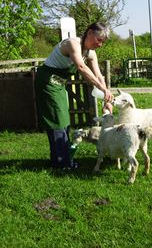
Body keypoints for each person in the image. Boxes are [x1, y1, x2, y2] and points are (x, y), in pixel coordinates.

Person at [35, 22, 114, 170]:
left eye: (103, 42)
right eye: (99, 39)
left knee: (63, 120)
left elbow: (99, 75)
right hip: (47, 82)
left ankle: (59, 160)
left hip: (59, 85)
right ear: (89, 32)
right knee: (57, 121)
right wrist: (102, 88)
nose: (100, 44)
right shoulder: (73, 44)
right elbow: (81, 67)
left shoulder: (90, 53)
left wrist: (107, 96)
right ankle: (62, 164)